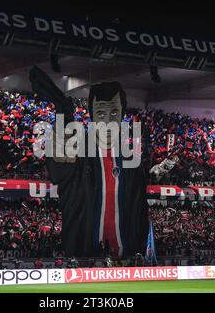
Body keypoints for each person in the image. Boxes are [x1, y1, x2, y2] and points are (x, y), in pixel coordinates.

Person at [30, 66, 149, 258]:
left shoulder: (131, 159)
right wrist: (64, 116)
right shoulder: (79, 149)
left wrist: (140, 247)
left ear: (122, 114)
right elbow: (58, 172)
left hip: (128, 258)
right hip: (84, 257)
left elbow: (140, 208)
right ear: (92, 116)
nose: (108, 122)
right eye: (101, 115)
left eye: (114, 113)